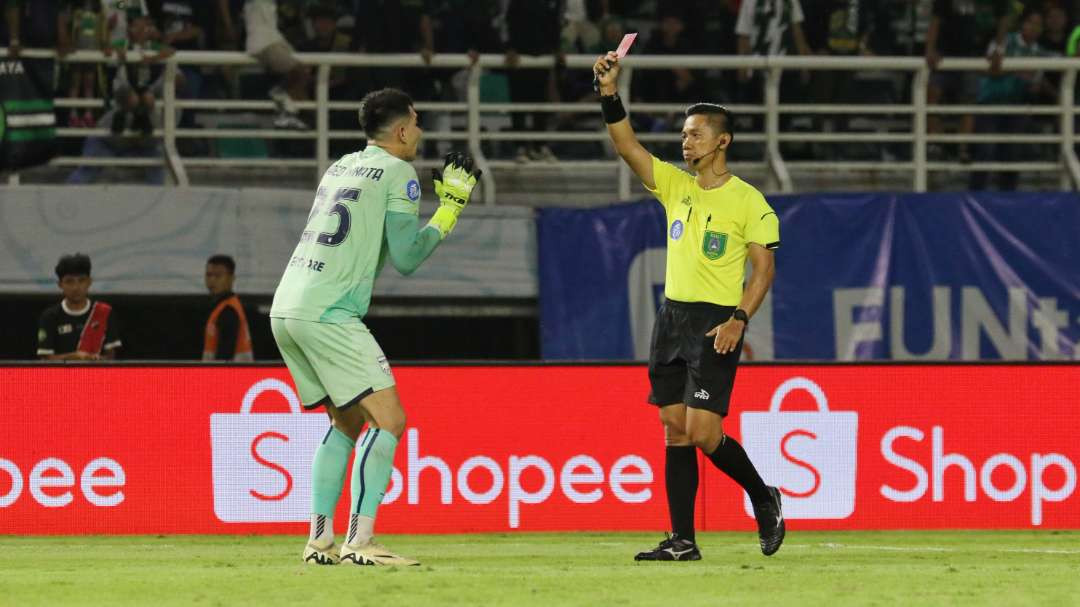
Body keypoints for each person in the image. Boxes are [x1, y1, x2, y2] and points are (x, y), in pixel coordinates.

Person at [269, 88, 481, 566]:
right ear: (402, 129)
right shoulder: (399, 173)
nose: (421, 132)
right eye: (418, 122)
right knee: (390, 420)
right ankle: (360, 542)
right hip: (328, 311)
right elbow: (406, 258)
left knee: (345, 422)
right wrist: (449, 211)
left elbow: (371, 239)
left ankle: (319, 541)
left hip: (288, 305)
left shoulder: (340, 165)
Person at [593, 50, 784, 560]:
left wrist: (739, 319)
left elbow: (763, 271)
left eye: (696, 133)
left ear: (722, 140)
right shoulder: (675, 186)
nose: (685, 140)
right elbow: (625, 144)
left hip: (715, 322)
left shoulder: (749, 201)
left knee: (703, 431)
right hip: (671, 317)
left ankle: (763, 498)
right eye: (683, 133)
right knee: (674, 428)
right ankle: (682, 541)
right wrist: (610, 93)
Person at [37, 253, 122, 361]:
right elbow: (45, 359)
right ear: (60, 284)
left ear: (89, 282)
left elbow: (111, 358)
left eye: (81, 280)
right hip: (61, 377)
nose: (76, 287)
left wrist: (93, 359)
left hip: (96, 376)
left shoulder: (104, 312)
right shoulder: (49, 316)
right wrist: (74, 357)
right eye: (69, 281)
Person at [203, 254, 254, 361]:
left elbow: (225, 354)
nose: (212, 280)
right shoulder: (222, 306)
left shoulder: (228, 310)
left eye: (218, 275)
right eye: (208, 275)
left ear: (231, 278)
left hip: (233, 375)